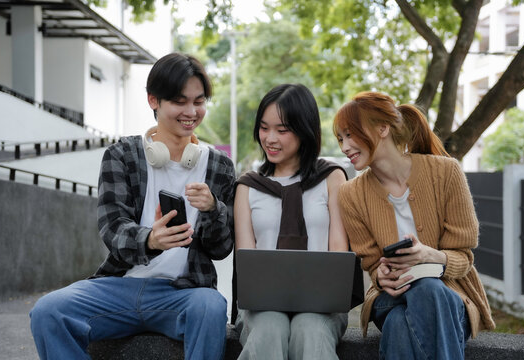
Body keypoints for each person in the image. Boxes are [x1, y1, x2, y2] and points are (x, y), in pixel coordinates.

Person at [29, 53, 236, 359]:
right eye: (180, 101)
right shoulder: (123, 154)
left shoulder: (219, 166)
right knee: (48, 311)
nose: (191, 111)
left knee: (212, 307)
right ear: (154, 100)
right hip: (119, 287)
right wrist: (150, 239)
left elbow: (221, 248)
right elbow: (112, 227)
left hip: (184, 293)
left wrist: (213, 209)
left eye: (199, 101)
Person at [334, 91, 495, 359]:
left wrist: (431, 256)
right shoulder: (350, 194)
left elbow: (464, 257)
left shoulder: (446, 172)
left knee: (408, 313)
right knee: (416, 297)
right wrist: (380, 275)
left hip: (449, 296)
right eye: (340, 139)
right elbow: (372, 264)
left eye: (350, 135)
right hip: (390, 297)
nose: (344, 147)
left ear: (383, 128)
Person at [234, 83, 349, 360]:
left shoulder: (332, 178)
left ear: (305, 130)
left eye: (282, 130)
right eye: (264, 128)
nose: (270, 138)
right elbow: (247, 263)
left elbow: (338, 252)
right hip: (261, 309)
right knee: (269, 329)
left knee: (310, 329)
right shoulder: (248, 186)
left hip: (322, 306)